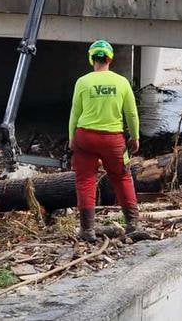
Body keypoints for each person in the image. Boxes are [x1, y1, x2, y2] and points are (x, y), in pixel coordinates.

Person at [68, 39, 141, 242]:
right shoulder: (122, 82)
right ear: (110, 59)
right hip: (113, 140)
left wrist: (71, 139)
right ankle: (133, 224)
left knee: (85, 180)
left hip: (85, 137)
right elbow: (131, 114)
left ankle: (87, 230)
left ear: (92, 58)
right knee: (122, 177)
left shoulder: (83, 82)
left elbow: (75, 114)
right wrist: (135, 137)